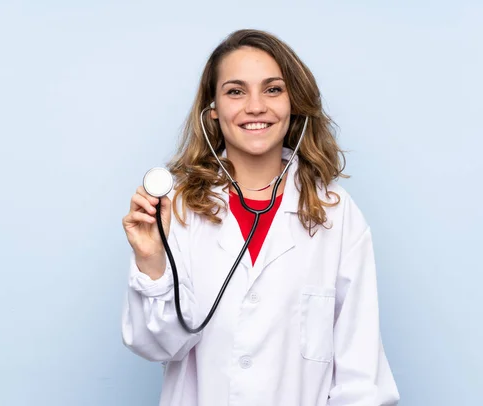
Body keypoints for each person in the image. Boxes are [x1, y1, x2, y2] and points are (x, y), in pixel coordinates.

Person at [121, 29, 400, 406]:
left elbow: (361, 377)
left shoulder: (337, 213)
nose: (255, 106)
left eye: (273, 89)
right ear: (213, 109)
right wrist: (151, 261)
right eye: (236, 91)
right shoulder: (178, 208)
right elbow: (158, 346)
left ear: (294, 103)